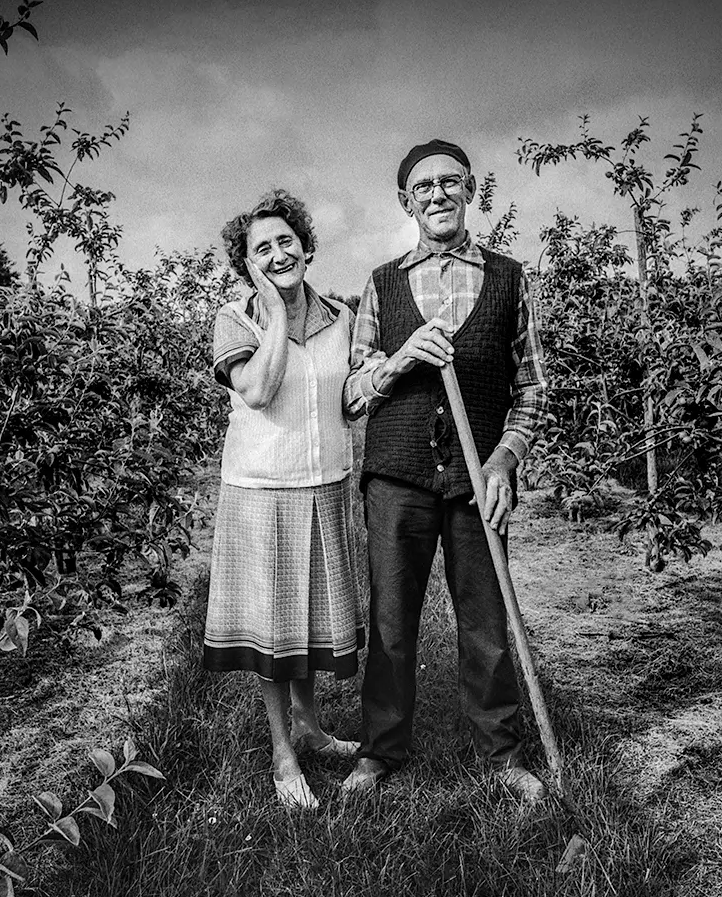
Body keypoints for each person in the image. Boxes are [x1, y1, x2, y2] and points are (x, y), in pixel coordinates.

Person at [339, 139, 551, 804]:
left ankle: (501, 756)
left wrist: (503, 461)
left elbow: (533, 388)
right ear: (406, 201)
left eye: (449, 182)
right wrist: (401, 359)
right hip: (397, 474)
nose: (437, 194)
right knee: (393, 622)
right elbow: (351, 393)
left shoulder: (511, 278)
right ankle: (381, 751)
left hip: (475, 478)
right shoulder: (382, 282)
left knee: (486, 621)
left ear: (470, 190)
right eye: (423, 186)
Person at [201, 189, 366, 809]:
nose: (278, 253)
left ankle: (311, 725)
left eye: (285, 241)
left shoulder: (339, 317)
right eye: (260, 248)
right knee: (275, 629)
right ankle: (281, 750)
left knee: (308, 619)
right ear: (245, 263)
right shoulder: (235, 320)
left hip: (324, 483)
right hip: (264, 489)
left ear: (305, 244)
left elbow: (349, 398)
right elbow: (260, 390)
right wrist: (272, 309)